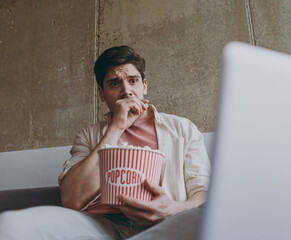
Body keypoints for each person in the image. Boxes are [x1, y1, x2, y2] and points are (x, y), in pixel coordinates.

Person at [0, 45, 211, 240]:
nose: (127, 90)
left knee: (210, 215)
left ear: (144, 86)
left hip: (162, 223)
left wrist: (172, 209)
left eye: (133, 80)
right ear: (101, 93)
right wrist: (116, 129)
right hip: (100, 224)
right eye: (114, 83)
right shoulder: (89, 136)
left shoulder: (183, 129)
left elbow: (203, 193)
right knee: (10, 224)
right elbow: (72, 199)